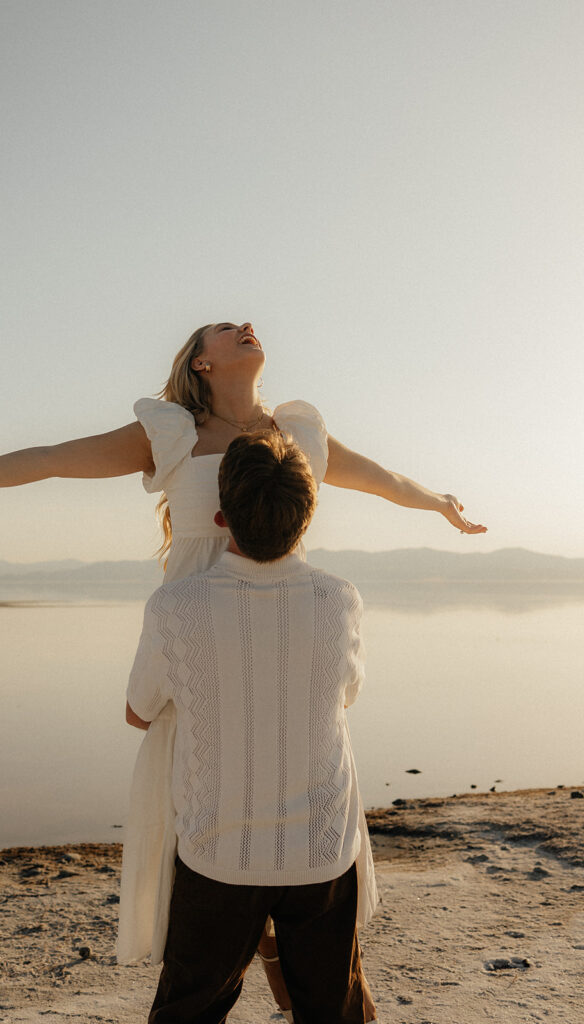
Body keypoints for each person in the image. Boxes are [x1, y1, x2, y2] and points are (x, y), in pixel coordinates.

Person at [0, 320, 486, 1019]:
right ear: (202, 362)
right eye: (227, 329)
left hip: (284, 624)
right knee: (214, 819)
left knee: (281, 796)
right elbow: (50, 457)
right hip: (197, 634)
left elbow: (380, 480)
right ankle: (280, 966)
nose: (245, 326)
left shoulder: (299, 432)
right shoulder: (168, 432)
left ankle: (300, 977)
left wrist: (436, 502)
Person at [126, 429, 369, 1023]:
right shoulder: (339, 600)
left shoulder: (176, 606)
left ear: (218, 516)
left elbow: (138, 711)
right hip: (321, 851)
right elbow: (347, 696)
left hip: (218, 853)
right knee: (330, 1011)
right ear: (306, 522)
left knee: (190, 1010)